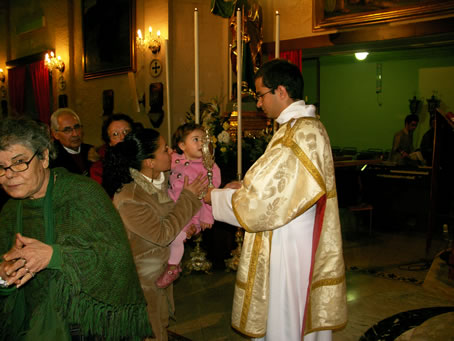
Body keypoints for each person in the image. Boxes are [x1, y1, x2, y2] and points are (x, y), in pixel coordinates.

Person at [205, 59, 347, 340]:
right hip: (292, 231)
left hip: (288, 240)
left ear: (281, 91)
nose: (258, 104)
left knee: (286, 312)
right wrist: (244, 185)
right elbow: (283, 184)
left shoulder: (298, 133)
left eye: (260, 95)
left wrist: (216, 197)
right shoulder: (300, 128)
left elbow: (265, 205)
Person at [0, 118, 151, 340]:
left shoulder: (83, 193)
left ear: (43, 157)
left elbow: (115, 258)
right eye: (1, 167)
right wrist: (4, 276)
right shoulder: (9, 211)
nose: (9, 174)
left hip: (86, 324)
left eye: (20, 162)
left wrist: (54, 256)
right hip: (31, 324)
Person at [103, 129, 207, 341]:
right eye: (164, 149)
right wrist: (188, 200)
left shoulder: (165, 177)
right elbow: (162, 234)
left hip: (160, 273)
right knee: (151, 332)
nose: (170, 151)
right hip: (142, 283)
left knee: (162, 325)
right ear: (149, 162)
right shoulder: (130, 197)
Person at [155, 123, 221, 288]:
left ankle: (173, 266)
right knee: (165, 233)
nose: (201, 144)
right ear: (182, 145)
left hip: (193, 214)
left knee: (177, 237)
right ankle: (165, 263)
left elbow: (210, 194)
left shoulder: (210, 167)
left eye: (204, 140)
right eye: (196, 139)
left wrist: (207, 216)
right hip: (172, 206)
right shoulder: (176, 159)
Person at [50, 108, 98, 175]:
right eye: (67, 130)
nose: (75, 134)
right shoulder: (52, 160)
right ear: (55, 134)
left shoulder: (91, 151)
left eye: (77, 127)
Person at [90, 113, 134, 185]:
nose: (123, 137)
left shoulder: (147, 159)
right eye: (115, 134)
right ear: (109, 142)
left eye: (126, 131)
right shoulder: (99, 169)